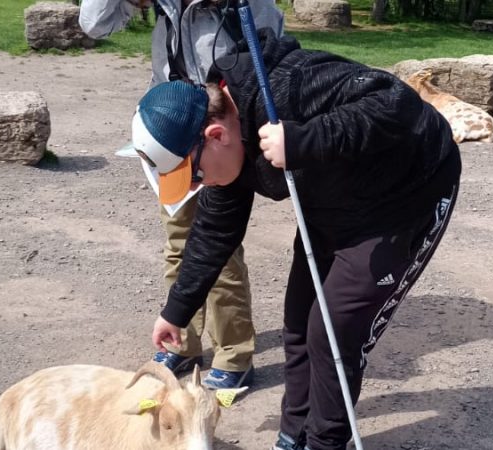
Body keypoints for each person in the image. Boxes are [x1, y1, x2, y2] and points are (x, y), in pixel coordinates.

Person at [131, 29, 462, 450]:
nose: (197, 185)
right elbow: (215, 232)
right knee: (299, 326)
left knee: (334, 334)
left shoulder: (290, 85)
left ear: (216, 135)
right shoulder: (226, 152)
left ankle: (326, 443)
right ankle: (292, 436)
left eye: (193, 174)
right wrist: (176, 311)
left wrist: (306, 139)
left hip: (406, 199)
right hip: (331, 207)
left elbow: (397, 103)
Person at [79, 0, 284, 389]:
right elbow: (93, 24)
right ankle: (183, 340)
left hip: (217, 137)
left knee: (219, 249)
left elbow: (273, 50)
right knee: (178, 244)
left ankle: (234, 353)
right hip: (171, 135)